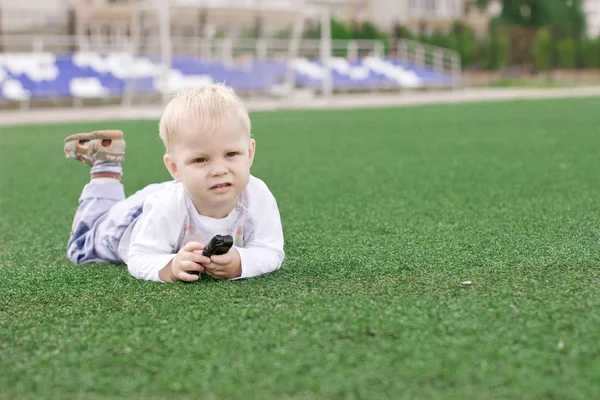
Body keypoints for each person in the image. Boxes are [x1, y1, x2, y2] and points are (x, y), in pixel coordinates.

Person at [64, 84, 285, 283]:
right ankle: (105, 170)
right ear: (175, 168)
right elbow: (140, 257)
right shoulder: (168, 206)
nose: (219, 170)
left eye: (231, 154)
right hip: (130, 223)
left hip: (174, 195)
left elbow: (271, 250)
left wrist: (241, 262)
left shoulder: (258, 195)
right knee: (82, 246)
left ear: (249, 153)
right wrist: (169, 267)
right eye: (200, 159)